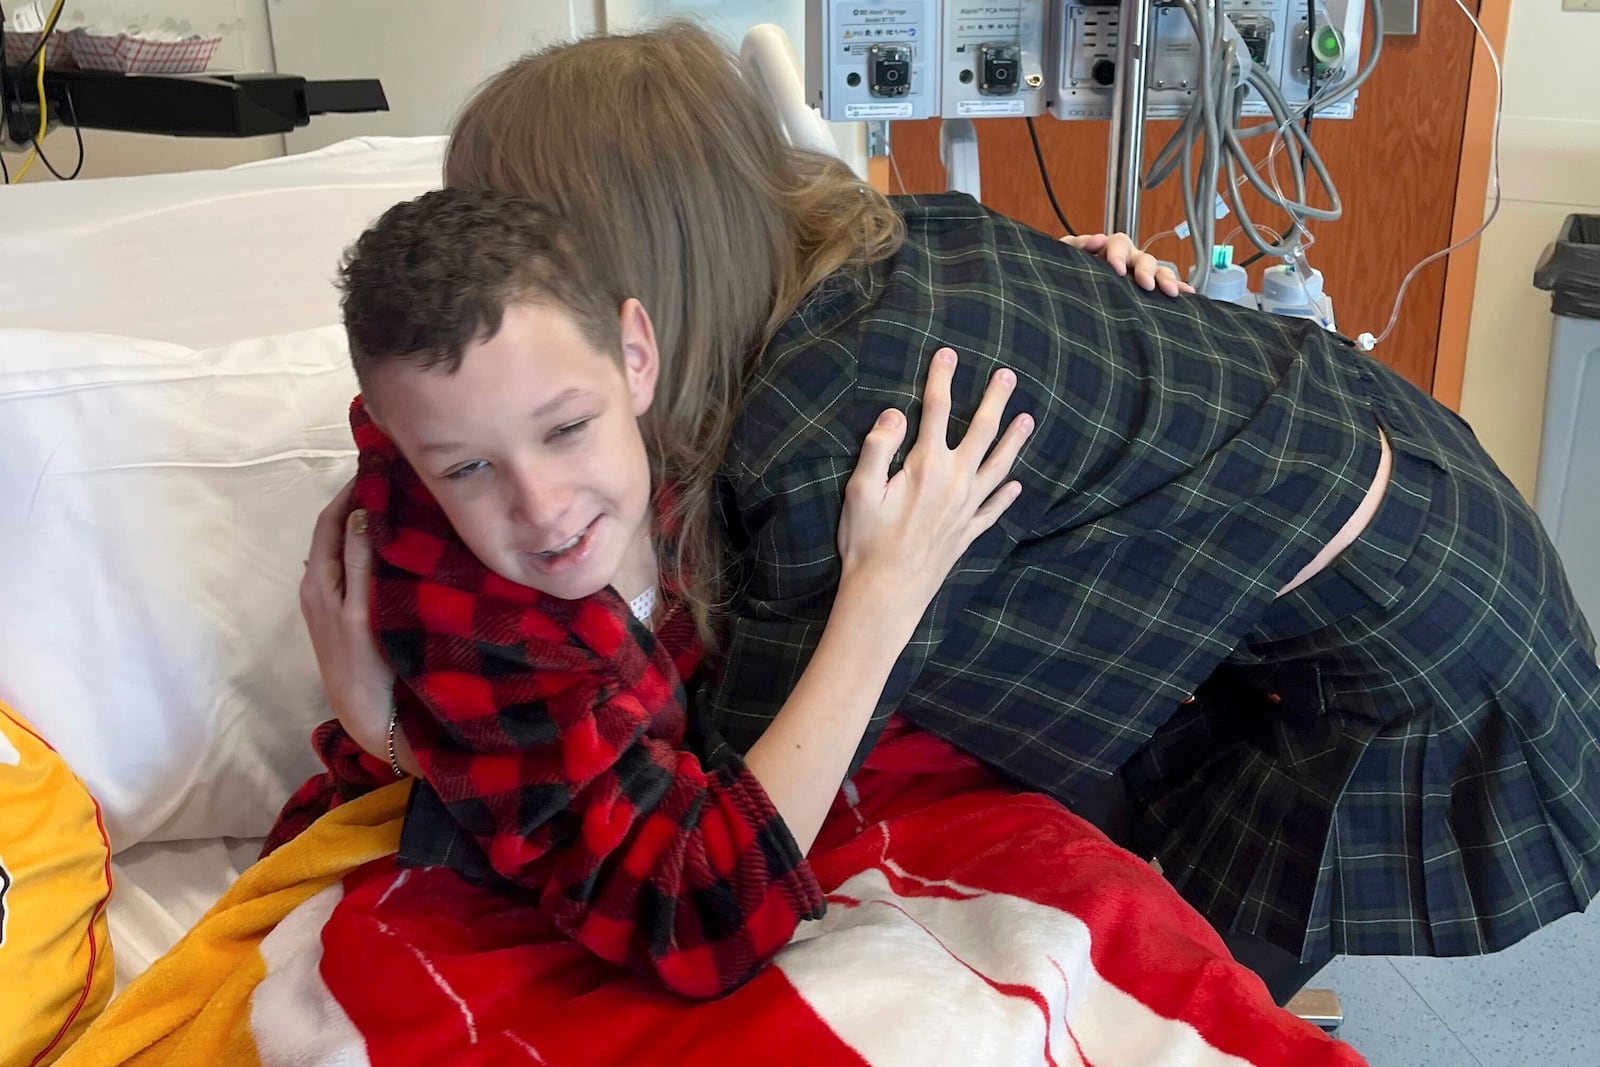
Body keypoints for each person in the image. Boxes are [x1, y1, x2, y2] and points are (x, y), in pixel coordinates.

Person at [308, 22, 1600, 1004]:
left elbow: (723, 829)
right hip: (1418, 478)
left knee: (1167, 971)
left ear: (634, 309)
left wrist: (397, 739)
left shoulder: (832, 441)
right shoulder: (862, 237)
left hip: (1417, 650)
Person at [272, 186, 1032, 998]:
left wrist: (1088, 267)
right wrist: (884, 598)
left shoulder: (736, 403)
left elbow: (848, 233)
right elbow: (700, 921)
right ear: (407, 454)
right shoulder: (465, 609)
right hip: (500, 873)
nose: (543, 508)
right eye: (465, 468)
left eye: (566, 429)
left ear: (638, 355)